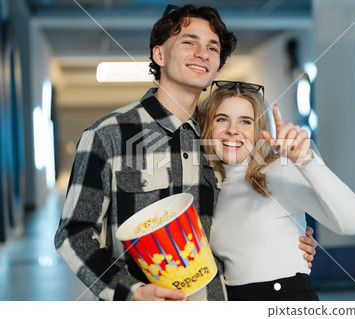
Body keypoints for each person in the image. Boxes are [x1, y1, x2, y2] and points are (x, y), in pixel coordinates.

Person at [54, 5, 317, 301]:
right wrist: (132, 292)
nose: (202, 53)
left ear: (217, 67)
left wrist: (291, 240)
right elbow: (74, 233)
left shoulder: (224, 138)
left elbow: (255, 207)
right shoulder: (108, 135)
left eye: (212, 47)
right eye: (189, 42)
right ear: (160, 55)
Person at [199, 81, 355, 301]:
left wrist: (306, 161)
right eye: (222, 119)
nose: (233, 129)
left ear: (259, 131)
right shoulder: (212, 186)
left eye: (245, 121)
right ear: (208, 127)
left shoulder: (279, 171)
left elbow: (354, 223)